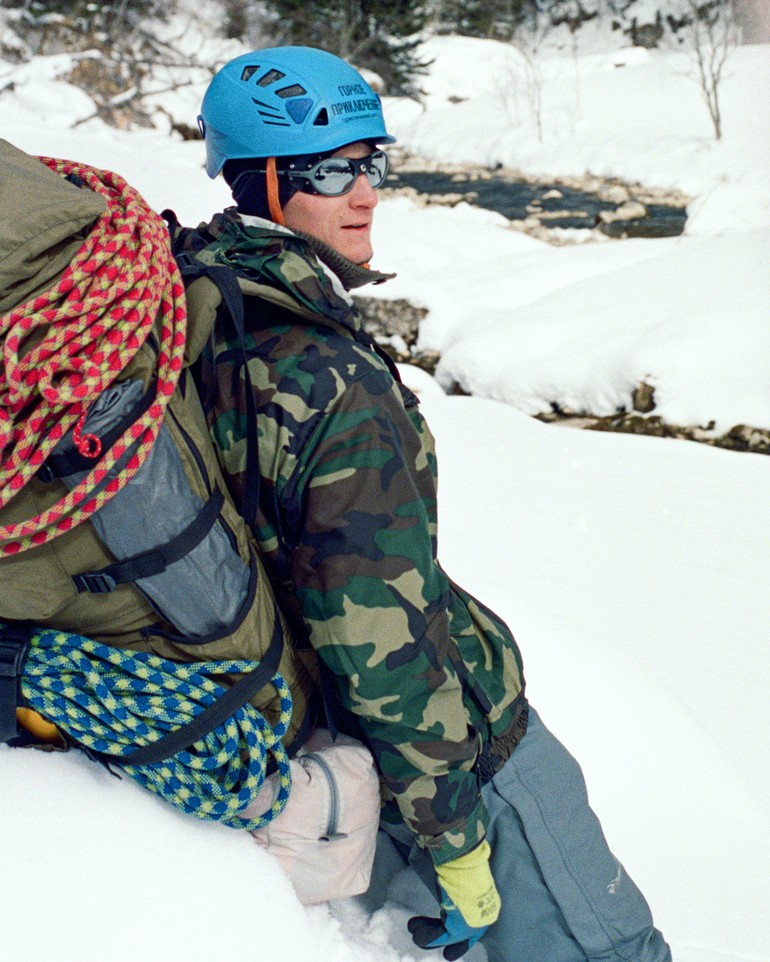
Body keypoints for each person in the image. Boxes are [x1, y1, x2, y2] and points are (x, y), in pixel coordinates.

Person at [189, 45, 672, 962]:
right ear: (256, 178)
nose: (365, 191)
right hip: (464, 757)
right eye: (332, 170)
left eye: (373, 162)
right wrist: (456, 839)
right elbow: (383, 646)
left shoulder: (205, 300)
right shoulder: (330, 380)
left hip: (331, 738)